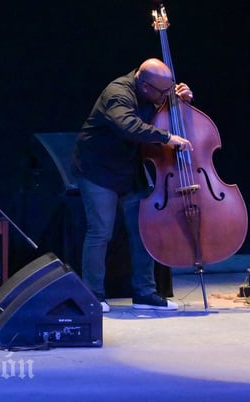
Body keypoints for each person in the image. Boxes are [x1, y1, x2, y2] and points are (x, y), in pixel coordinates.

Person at [71, 58, 193, 312]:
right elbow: (129, 127)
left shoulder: (153, 92)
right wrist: (168, 138)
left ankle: (145, 293)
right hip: (98, 170)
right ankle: (92, 296)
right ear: (145, 85)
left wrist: (182, 102)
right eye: (163, 92)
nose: (165, 96)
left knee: (144, 229)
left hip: (129, 169)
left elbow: (167, 115)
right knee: (101, 232)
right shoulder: (117, 93)